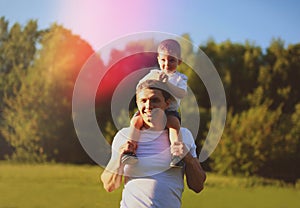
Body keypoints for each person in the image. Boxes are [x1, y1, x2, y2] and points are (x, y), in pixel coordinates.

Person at [101, 79, 206, 208]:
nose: (148, 105)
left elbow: (198, 186)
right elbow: (109, 185)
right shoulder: (125, 136)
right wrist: (119, 159)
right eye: (143, 101)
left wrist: (188, 158)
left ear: (167, 103)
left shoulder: (183, 136)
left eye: (155, 100)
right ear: (137, 104)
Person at [122, 39, 188, 167]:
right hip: (151, 109)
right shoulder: (154, 74)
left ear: (179, 61)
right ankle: (130, 150)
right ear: (158, 59)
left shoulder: (180, 78)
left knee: (174, 124)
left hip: (169, 111)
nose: (167, 64)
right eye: (163, 60)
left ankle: (177, 154)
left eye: (172, 60)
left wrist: (167, 84)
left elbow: (182, 94)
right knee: (136, 122)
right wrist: (153, 84)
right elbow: (140, 86)